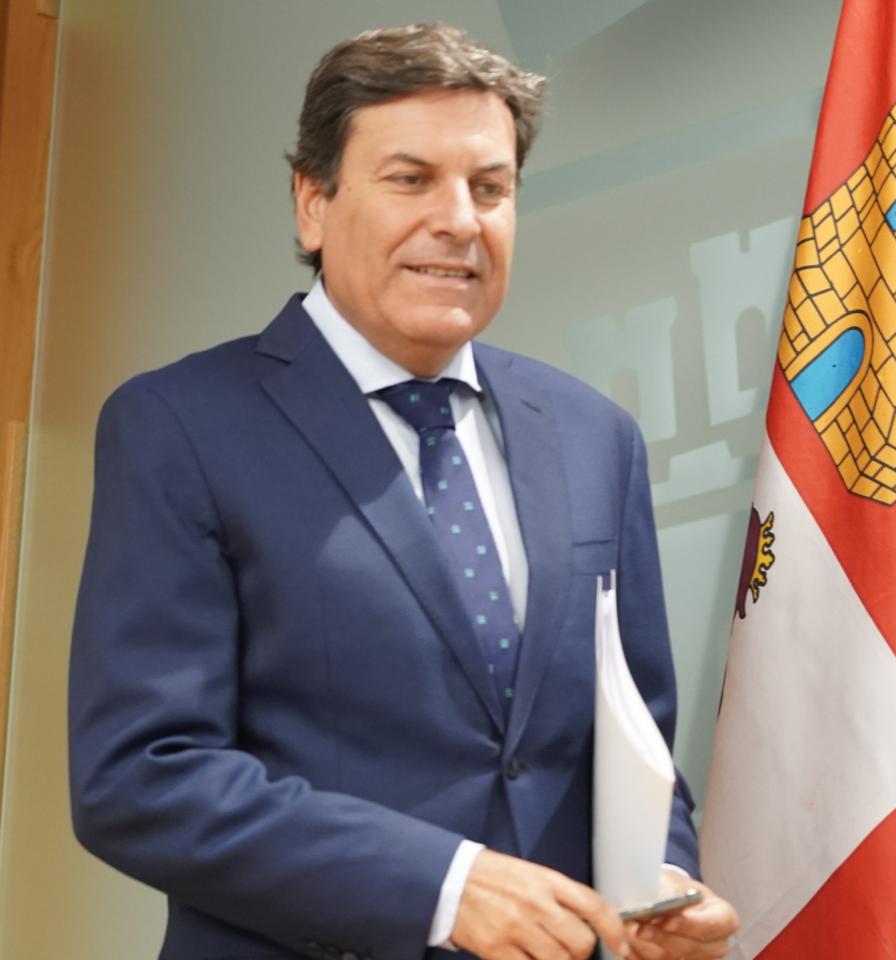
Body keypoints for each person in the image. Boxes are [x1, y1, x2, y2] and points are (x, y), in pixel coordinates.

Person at [67, 23, 736, 960]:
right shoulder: (180, 426)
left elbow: (636, 745)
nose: (460, 220)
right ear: (312, 203)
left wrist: (659, 883)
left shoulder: (596, 438)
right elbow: (141, 777)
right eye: (411, 179)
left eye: (490, 187)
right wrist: (443, 889)